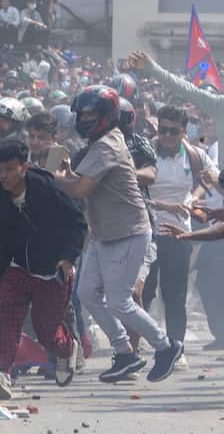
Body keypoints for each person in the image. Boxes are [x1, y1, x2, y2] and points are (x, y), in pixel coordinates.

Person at [55, 86, 183, 383]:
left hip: (127, 232)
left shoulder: (106, 146)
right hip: (103, 233)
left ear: (105, 116)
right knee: (86, 293)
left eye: (89, 114)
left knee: (119, 301)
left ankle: (166, 346)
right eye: (81, 113)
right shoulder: (100, 142)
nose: (83, 119)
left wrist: (51, 178)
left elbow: (80, 188)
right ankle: (125, 352)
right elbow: (80, 180)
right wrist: (62, 175)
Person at [0, 141, 88, 398]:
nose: (3, 176)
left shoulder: (45, 188)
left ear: (24, 168)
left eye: (9, 169)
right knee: (4, 318)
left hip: (52, 270)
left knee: (46, 329)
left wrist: (68, 259)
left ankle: (67, 348)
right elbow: (5, 241)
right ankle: (2, 372)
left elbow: (77, 223)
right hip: (18, 269)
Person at [143, 104, 217, 350]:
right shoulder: (145, 153)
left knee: (174, 294)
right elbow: (127, 190)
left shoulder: (195, 155)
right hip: (145, 233)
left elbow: (212, 181)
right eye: (162, 130)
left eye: (173, 131)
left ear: (184, 132)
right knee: (143, 292)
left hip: (178, 234)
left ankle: (176, 347)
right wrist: (160, 205)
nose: (166, 136)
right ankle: (136, 345)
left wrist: (195, 197)